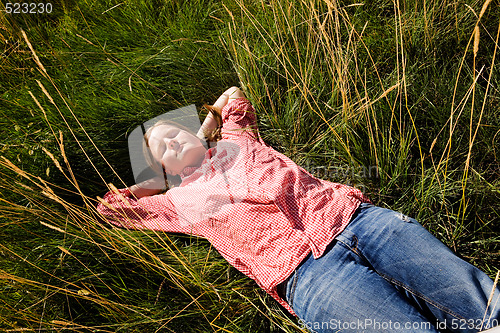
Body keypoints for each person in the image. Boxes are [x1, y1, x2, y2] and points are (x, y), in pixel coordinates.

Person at [97, 87, 500, 332]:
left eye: (174, 133)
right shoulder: (176, 203)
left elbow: (235, 98)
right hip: (306, 276)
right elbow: (113, 210)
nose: (170, 142)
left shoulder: (239, 140)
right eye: (160, 149)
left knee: (482, 306)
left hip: (354, 219)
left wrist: (204, 130)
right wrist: (158, 183)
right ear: (161, 169)